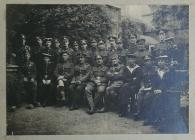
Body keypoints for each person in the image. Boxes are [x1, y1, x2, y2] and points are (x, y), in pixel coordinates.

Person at [135, 55, 156, 120]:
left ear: (151, 61)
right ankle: (139, 112)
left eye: (148, 60)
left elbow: (156, 81)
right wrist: (142, 86)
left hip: (153, 88)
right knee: (139, 94)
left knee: (147, 96)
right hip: (145, 87)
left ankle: (146, 114)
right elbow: (141, 80)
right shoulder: (142, 69)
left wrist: (151, 88)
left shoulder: (155, 69)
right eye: (146, 61)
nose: (147, 62)